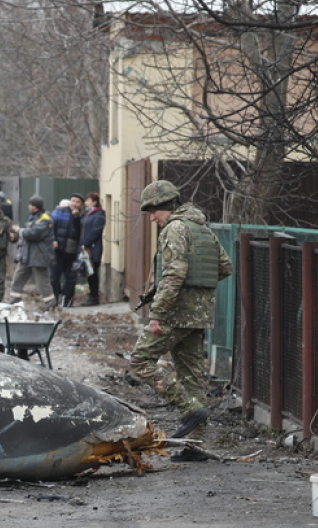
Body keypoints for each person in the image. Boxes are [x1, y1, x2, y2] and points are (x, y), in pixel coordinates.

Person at [129, 180, 232, 452]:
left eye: (154, 211)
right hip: (199, 314)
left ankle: (189, 408)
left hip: (176, 313)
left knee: (141, 360)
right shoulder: (201, 228)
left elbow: (174, 273)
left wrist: (158, 313)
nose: (152, 218)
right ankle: (196, 446)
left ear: (168, 206)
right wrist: (197, 290)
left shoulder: (175, 228)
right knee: (192, 377)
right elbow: (224, 266)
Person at [8, 196, 57, 310]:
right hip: (27, 255)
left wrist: (19, 231)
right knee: (18, 277)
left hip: (39, 256)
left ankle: (51, 305)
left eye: (30, 204)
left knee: (42, 282)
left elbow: (33, 234)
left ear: (35, 207)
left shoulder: (45, 219)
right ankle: (14, 301)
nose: (28, 206)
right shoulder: (33, 217)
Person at [50, 195, 83, 308]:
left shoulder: (82, 216)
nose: (74, 203)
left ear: (81, 205)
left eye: (77, 202)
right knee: (54, 277)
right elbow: (51, 227)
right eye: (73, 201)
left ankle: (67, 301)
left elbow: (81, 231)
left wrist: (76, 217)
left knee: (70, 279)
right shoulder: (59, 212)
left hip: (73, 252)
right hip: (58, 250)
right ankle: (54, 300)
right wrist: (53, 239)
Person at [80, 192, 106, 306]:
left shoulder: (99, 214)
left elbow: (95, 231)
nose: (86, 203)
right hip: (85, 247)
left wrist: (85, 243)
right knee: (89, 272)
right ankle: (92, 295)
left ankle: (94, 297)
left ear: (95, 202)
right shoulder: (87, 213)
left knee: (93, 272)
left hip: (93, 247)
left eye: (88, 200)